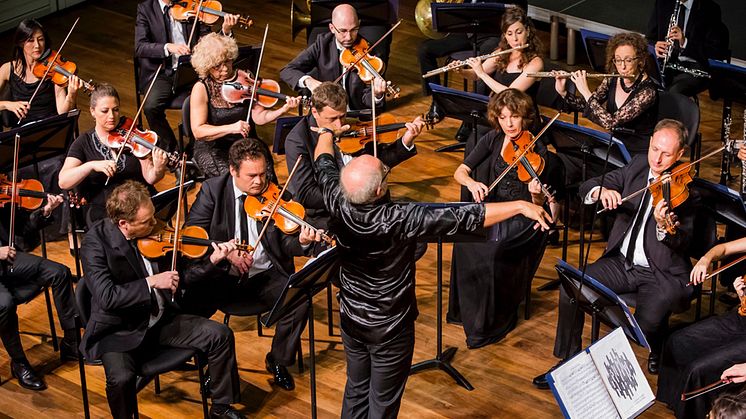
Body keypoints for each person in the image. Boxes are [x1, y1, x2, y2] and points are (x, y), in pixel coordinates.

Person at [311, 119, 552, 418]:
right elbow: (463, 217)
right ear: (378, 191)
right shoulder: (399, 217)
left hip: (351, 318)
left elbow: (323, 162)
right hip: (390, 327)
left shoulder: (336, 198)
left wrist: (325, 132)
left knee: (357, 389)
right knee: (382, 403)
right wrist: (520, 206)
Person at [533, 119, 700, 390]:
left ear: (680, 154)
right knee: (571, 285)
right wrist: (602, 191)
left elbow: (684, 242)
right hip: (622, 264)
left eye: (666, 153)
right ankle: (568, 360)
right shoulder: (638, 166)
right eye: (654, 149)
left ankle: (647, 355)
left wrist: (663, 228)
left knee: (644, 327)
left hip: (659, 273)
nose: (657, 159)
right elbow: (590, 185)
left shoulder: (688, 191)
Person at [79, 180, 245, 419]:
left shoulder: (156, 233)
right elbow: (106, 297)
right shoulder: (95, 243)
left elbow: (183, 277)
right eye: (147, 222)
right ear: (124, 224)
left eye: (153, 217)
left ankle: (220, 407)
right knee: (122, 378)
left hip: (160, 319)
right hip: (119, 331)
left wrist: (212, 262)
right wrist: (151, 282)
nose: (155, 225)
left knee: (220, 335)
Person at [183, 138, 324, 392]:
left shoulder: (273, 193)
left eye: (263, 174)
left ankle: (278, 360)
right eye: (251, 176)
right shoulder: (213, 191)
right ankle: (214, 370)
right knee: (188, 301)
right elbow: (192, 237)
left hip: (264, 276)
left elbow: (286, 243)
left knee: (299, 297)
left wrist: (302, 242)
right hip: (223, 278)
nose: (259, 182)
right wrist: (226, 253)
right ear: (233, 170)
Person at [447, 89, 562, 348]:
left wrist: (537, 196)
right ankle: (464, 312)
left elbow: (541, 208)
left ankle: (490, 323)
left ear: (525, 117)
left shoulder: (540, 152)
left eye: (515, 117)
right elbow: (460, 171)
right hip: (495, 210)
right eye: (503, 117)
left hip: (524, 218)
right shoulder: (492, 139)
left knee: (491, 250)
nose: (509, 123)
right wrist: (472, 182)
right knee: (464, 239)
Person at [284, 81, 423, 229]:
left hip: (366, 202)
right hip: (329, 213)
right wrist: (355, 193)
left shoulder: (351, 123)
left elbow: (375, 163)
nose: (339, 125)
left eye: (342, 116)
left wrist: (405, 142)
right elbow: (307, 194)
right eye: (332, 119)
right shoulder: (297, 140)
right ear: (314, 112)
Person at [657, 236, 746, 419]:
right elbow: (723, 248)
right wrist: (705, 260)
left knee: (698, 370)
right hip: (741, 318)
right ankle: (676, 406)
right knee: (677, 342)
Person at [189, 33, 300, 179]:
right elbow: (198, 131)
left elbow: (260, 118)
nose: (225, 69)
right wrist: (232, 127)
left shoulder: (245, 78)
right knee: (233, 179)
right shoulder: (202, 88)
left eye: (227, 61)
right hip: (215, 147)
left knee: (264, 176)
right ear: (207, 67)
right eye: (217, 66)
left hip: (245, 143)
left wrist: (283, 109)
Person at [135, 0, 239, 152]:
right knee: (151, 107)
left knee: (206, 100)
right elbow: (140, 46)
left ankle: (199, 147)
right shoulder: (146, 9)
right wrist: (167, 47)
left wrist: (225, 31)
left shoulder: (193, 4)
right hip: (163, 72)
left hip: (192, 70)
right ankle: (171, 151)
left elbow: (209, 41)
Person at [58, 83, 169, 226]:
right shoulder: (84, 142)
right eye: (105, 111)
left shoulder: (132, 133)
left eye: (116, 110)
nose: (112, 116)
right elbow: (63, 181)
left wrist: (159, 169)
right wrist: (91, 165)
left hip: (139, 200)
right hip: (106, 209)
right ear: (92, 111)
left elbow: (150, 177)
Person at [0, 194, 78, 391]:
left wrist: (45, 211)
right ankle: (19, 362)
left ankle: (71, 342)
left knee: (59, 272)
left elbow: (23, 230)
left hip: (8, 260)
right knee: (4, 304)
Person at [417, 0, 527, 120]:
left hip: (492, 35)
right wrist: (461, 71)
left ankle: (474, 113)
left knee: (485, 59)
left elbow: (518, 13)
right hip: (467, 31)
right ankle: (437, 103)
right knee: (425, 49)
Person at [555, 32, 658, 155]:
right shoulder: (612, 78)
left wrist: (585, 91)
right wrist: (564, 93)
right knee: (578, 154)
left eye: (628, 60)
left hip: (636, 150)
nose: (622, 66)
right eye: (618, 60)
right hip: (615, 142)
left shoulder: (647, 92)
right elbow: (591, 106)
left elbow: (610, 122)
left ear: (640, 60)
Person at [280, 3, 387, 112]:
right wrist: (309, 81)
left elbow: (367, 103)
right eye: (343, 31)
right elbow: (287, 70)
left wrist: (377, 96)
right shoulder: (322, 44)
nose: (349, 37)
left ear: (359, 24)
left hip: (356, 115)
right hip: (327, 113)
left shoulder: (371, 53)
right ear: (332, 28)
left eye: (354, 30)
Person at [0, 19, 81, 126]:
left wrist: (71, 95)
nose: (37, 45)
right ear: (20, 43)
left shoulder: (54, 70)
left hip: (49, 128)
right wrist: (7, 105)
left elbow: (63, 112)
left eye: (40, 39)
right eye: (31, 40)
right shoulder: (7, 69)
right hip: (21, 132)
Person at [647, 0, 729, 96]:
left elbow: (713, 51)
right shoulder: (663, 3)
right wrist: (655, 47)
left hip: (694, 67)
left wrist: (684, 42)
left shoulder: (710, 9)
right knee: (645, 86)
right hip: (666, 64)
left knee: (673, 93)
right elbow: (649, 39)